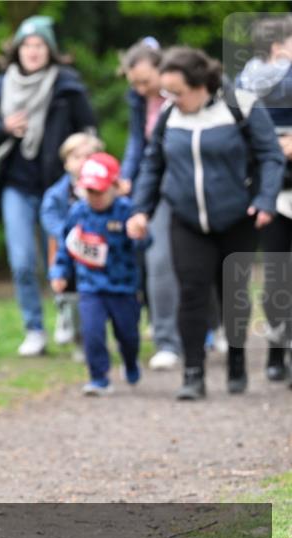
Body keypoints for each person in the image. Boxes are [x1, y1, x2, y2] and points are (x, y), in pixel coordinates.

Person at [128, 47, 285, 400]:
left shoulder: (240, 105)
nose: (170, 99)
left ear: (201, 85)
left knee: (234, 295)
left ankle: (236, 361)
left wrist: (264, 200)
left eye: (177, 92)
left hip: (237, 218)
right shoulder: (171, 115)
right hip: (186, 218)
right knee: (192, 291)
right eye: (167, 92)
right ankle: (193, 374)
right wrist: (140, 210)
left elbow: (270, 156)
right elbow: (153, 164)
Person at [0, 15, 97, 357]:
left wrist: (81, 162)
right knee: (23, 262)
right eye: (27, 44)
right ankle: (34, 330)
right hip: (16, 187)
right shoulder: (0, 86)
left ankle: (74, 328)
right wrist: (5, 127)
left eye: (39, 45)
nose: (33, 51)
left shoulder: (67, 85)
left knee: (65, 260)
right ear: (17, 50)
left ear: (49, 50)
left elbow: (90, 130)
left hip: (59, 188)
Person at [50, 153, 148, 395]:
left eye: (99, 191)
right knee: (92, 332)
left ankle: (130, 361)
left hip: (123, 288)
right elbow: (66, 245)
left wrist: (139, 234)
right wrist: (59, 272)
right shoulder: (78, 212)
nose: (94, 197)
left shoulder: (127, 210)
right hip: (90, 286)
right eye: (89, 191)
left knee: (128, 335)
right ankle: (98, 378)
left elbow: (145, 245)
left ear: (115, 186)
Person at [120, 37, 184, 372]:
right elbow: (138, 142)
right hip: (155, 181)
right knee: (156, 258)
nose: (141, 88)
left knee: (195, 261)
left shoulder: (186, 92)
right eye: (135, 83)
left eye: (146, 81)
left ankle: (207, 326)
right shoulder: (138, 98)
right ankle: (166, 341)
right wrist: (126, 177)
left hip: (188, 183)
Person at [237, 16, 292, 384]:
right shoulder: (245, 86)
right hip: (274, 193)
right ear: (277, 47)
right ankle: (276, 350)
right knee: (276, 282)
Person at [40, 133, 105, 354]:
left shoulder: (106, 191)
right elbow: (50, 219)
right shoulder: (57, 195)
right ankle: (72, 327)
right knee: (72, 296)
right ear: (67, 162)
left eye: (89, 156)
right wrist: (70, 237)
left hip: (99, 256)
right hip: (68, 255)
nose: (83, 161)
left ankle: (93, 337)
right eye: (77, 157)